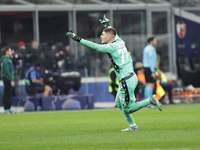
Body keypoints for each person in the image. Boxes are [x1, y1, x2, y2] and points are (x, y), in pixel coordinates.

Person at [66, 15, 162, 131]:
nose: (101, 36)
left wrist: (77, 39)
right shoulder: (120, 41)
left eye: (103, 34)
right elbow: (113, 32)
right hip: (128, 78)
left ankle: (149, 100)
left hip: (127, 80)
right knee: (118, 101)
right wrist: (106, 24)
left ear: (109, 37)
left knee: (128, 109)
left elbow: (94, 46)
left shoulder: (110, 47)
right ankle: (132, 126)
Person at [0, 46, 15, 114]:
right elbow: (7, 71)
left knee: (8, 93)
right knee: (6, 94)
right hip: (7, 78)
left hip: (6, 78)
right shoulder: (6, 60)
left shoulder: (7, 59)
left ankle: (8, 108)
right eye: (10, 51)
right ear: (6, 52)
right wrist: (11, 79)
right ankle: (6, 109)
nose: (11, 52)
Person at [142, 37, 157, 104]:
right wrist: (153, 71)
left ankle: (146, 101)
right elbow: (151, 60)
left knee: (148, 84)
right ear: (151, 41)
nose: (156, 42)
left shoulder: (146, 48)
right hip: (149, 68)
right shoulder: (151, 49)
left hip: (146, 67)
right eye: (155, 40)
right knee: (151, 84)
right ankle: (149, 102)